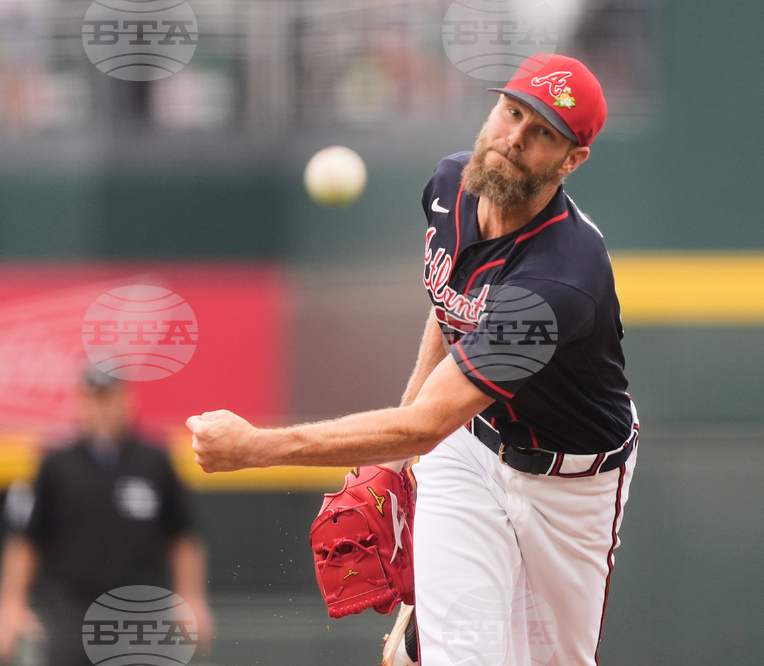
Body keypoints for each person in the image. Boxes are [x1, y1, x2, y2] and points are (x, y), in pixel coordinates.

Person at [187, 52, 638, 666]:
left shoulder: (560, 281)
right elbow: (450, 305)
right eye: (511, 111)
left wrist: (253, 450)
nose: (513, 138)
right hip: (470, 449)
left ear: (571, 159)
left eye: (541, 134)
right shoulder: (450, 185)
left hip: (572, 488)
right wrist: (401, 460)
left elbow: (427, 421)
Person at [0, 367, 213, 666]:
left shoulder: (153, 461)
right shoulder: (56, 464)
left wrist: (191, 598)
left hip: (141, 610)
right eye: (94, 398)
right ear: (80, 402)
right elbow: (26, 539)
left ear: (126, 400)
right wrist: (12, 604)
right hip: (72, 610)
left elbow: (182, 535)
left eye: (109, 397)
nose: (102, 407)